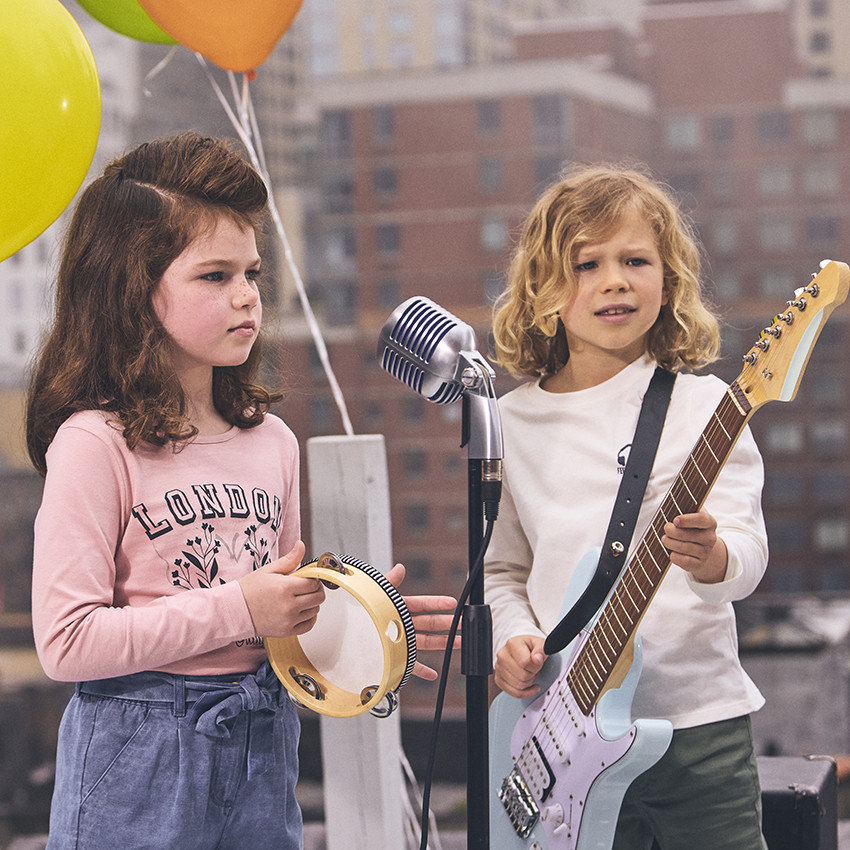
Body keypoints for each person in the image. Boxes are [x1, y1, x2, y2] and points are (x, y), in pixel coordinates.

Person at [27, 132, 455, 850]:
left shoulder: (273, 441)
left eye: (251, 272)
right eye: (214, 275)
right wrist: (240, 607)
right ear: (131, 290)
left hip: (263, 736)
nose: (247, 295)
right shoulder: (93, 444)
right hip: (139, 750)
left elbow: (270, 620)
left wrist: (358, 620)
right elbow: (66, 644)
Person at [484, 164, 768, 849]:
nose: (614, 280)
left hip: (698, 726)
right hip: (563, 737)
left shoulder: (709, 407)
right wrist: (509, 639)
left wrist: (714, 557)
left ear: (668, 281)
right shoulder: (509, 422)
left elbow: (749, 553)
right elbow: (502, 572)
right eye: (587, 264)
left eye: (635, 260)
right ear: (543, 289)